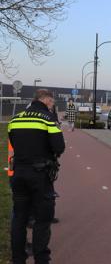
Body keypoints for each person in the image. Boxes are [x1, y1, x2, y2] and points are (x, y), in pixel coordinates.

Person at [8, 89, 65, 264]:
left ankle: (18, 259)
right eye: (52, 102)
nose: (52, 105)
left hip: (18, 174)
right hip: (40, 175)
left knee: (19, 218)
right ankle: (41, 259)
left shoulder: (15, 120)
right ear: (46, 100)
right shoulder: (48, 119)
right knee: (42, 219)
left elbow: (14, 143)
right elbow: (59, 147)